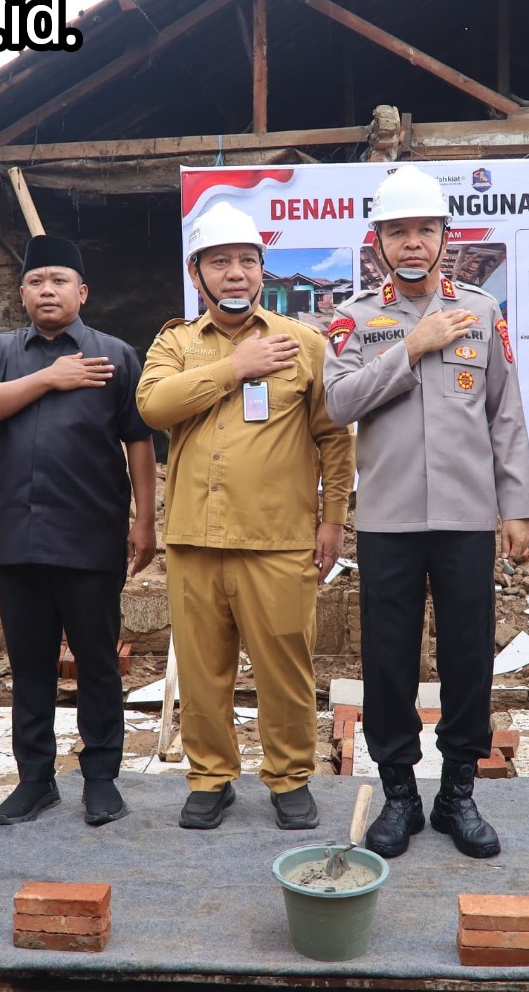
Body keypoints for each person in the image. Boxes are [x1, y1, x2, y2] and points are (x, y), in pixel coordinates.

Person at [323, 166, 529, 860]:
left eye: (424, 230)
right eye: (397, 232)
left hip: (469, 517)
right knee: (388, 660)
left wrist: (518, 506)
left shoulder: (480, 310)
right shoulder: (355, 320)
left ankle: (458, 793)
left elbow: (505, 415)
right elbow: (338, 403)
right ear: (377, 241)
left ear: (447, 237)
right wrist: (411, 350)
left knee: (469, 656)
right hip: (388, 520)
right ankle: (398, 795)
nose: (412, 243)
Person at [136, 202, 355, 831]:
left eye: (247, 261)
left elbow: (335, 437)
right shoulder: (175, 342)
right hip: (194, 538)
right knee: (203, 669)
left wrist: (332, 517)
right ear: (197, 271)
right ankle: (210, 778)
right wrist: (236, 368)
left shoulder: (304, 343)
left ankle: (290, 778)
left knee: (286, 665)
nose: (236, 273)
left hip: (280, 539)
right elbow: (154, 407)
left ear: (263, 270)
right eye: (220, 261)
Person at [0, 235, 156, 828]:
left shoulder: (115, 354)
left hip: (92, 537)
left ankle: (101, 776)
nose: (48, 290)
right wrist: (50, 378)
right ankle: (35, 780)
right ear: (21, 293)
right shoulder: (2, 351)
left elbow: (139, 441)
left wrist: (145, 519)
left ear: (82, 291)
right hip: (19, 539)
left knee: (97, 661)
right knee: (32, 665)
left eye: (59, 280)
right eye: (37, 280)